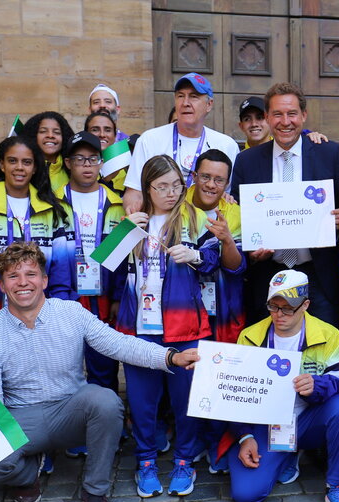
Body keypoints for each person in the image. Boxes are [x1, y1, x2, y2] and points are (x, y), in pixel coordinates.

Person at [0, 242, 199, 502]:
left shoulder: (71, 312)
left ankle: (95, 490)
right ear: (2, 285)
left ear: (44, 280)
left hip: (71, 411)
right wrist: (10, 449)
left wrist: (170, 357)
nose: (23, 283)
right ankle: (30, 470)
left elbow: (119, 344)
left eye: (31, 274)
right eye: (13, 277)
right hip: (22, 417)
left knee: (105, 401)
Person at [117, 155, 221, 498]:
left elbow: (215, 259)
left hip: (186, 324)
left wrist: (197, 257)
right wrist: (123, 233)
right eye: (162, 186)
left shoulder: (195, 218)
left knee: (185, 400)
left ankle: (184, 460)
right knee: (143, 401)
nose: (171, 193)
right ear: (147, 187)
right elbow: (105, 268)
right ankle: (145, 461)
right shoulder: (135, 222)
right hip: (138, 326)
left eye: (177, 185)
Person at [226, 270, 339, 502]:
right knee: (246, 495)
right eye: (273, 306)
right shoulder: (250, 336)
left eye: (288, 308)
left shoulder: (328, 334)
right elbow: (236, 394)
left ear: (305, 305)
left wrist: (317, 385)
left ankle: (338, 486)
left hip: (308, 420)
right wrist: (244, 435)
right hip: (268, 426)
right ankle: (286, 455)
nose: (279, 315)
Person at [230, 82, 339, 327]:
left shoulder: (329, 154)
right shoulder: (247, 161)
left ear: (304, 116)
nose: (285, 121)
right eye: (277, 114)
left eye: (292, 114)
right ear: (267, 117)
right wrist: (250, 251)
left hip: (318, 277)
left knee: (324, 352)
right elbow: (239, 221)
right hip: (267, 276)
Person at [55, 131, 129, 410]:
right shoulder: (51, 201)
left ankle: (108, 423)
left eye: (93, 158)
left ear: (101, 163)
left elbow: (123, 260)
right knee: (67, 366)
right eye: (80, 158)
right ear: (68, 163)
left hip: (104, 295)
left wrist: (119, 297)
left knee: (104, 365)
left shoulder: (117, 203)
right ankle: (73, 432)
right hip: (65, 295)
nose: (87, 165)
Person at [0, 135, 73, 315]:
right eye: (12, 161)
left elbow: (61, 268)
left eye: (26, 162)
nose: (19, 167)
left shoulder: (50, 208)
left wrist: (57, 312)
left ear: (34, 168)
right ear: (2, 165)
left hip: (43, 313)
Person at [126, 72, 239, 212]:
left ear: (209, 104)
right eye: (180, 96)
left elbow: (229, 196)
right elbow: (134, 192)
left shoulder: (227, 145)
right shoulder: (149, 140)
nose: (185, 103)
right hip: (160, 229)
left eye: (194, 97)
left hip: (206, 229)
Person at [188, 149, 247, 343]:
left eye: (219, 180)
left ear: (227, 184)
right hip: (180, 307)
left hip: (223, 308)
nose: (211, 185)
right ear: (194, 176)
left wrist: (227, 240)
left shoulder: (235, 213)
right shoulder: (174, 205)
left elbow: (235, 268)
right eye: (205, 177)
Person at [22, 111, 75, 191]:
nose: (50, 135)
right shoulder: (23, 170)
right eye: (43, 131)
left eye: (56, 132)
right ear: (33, 136)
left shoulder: (73, 169)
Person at [85, 108, 129, 193]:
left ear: (115, 135)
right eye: (95, 130)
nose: (102, 134)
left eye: (108, 130)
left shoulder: (127, 168)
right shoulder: (76, 165)